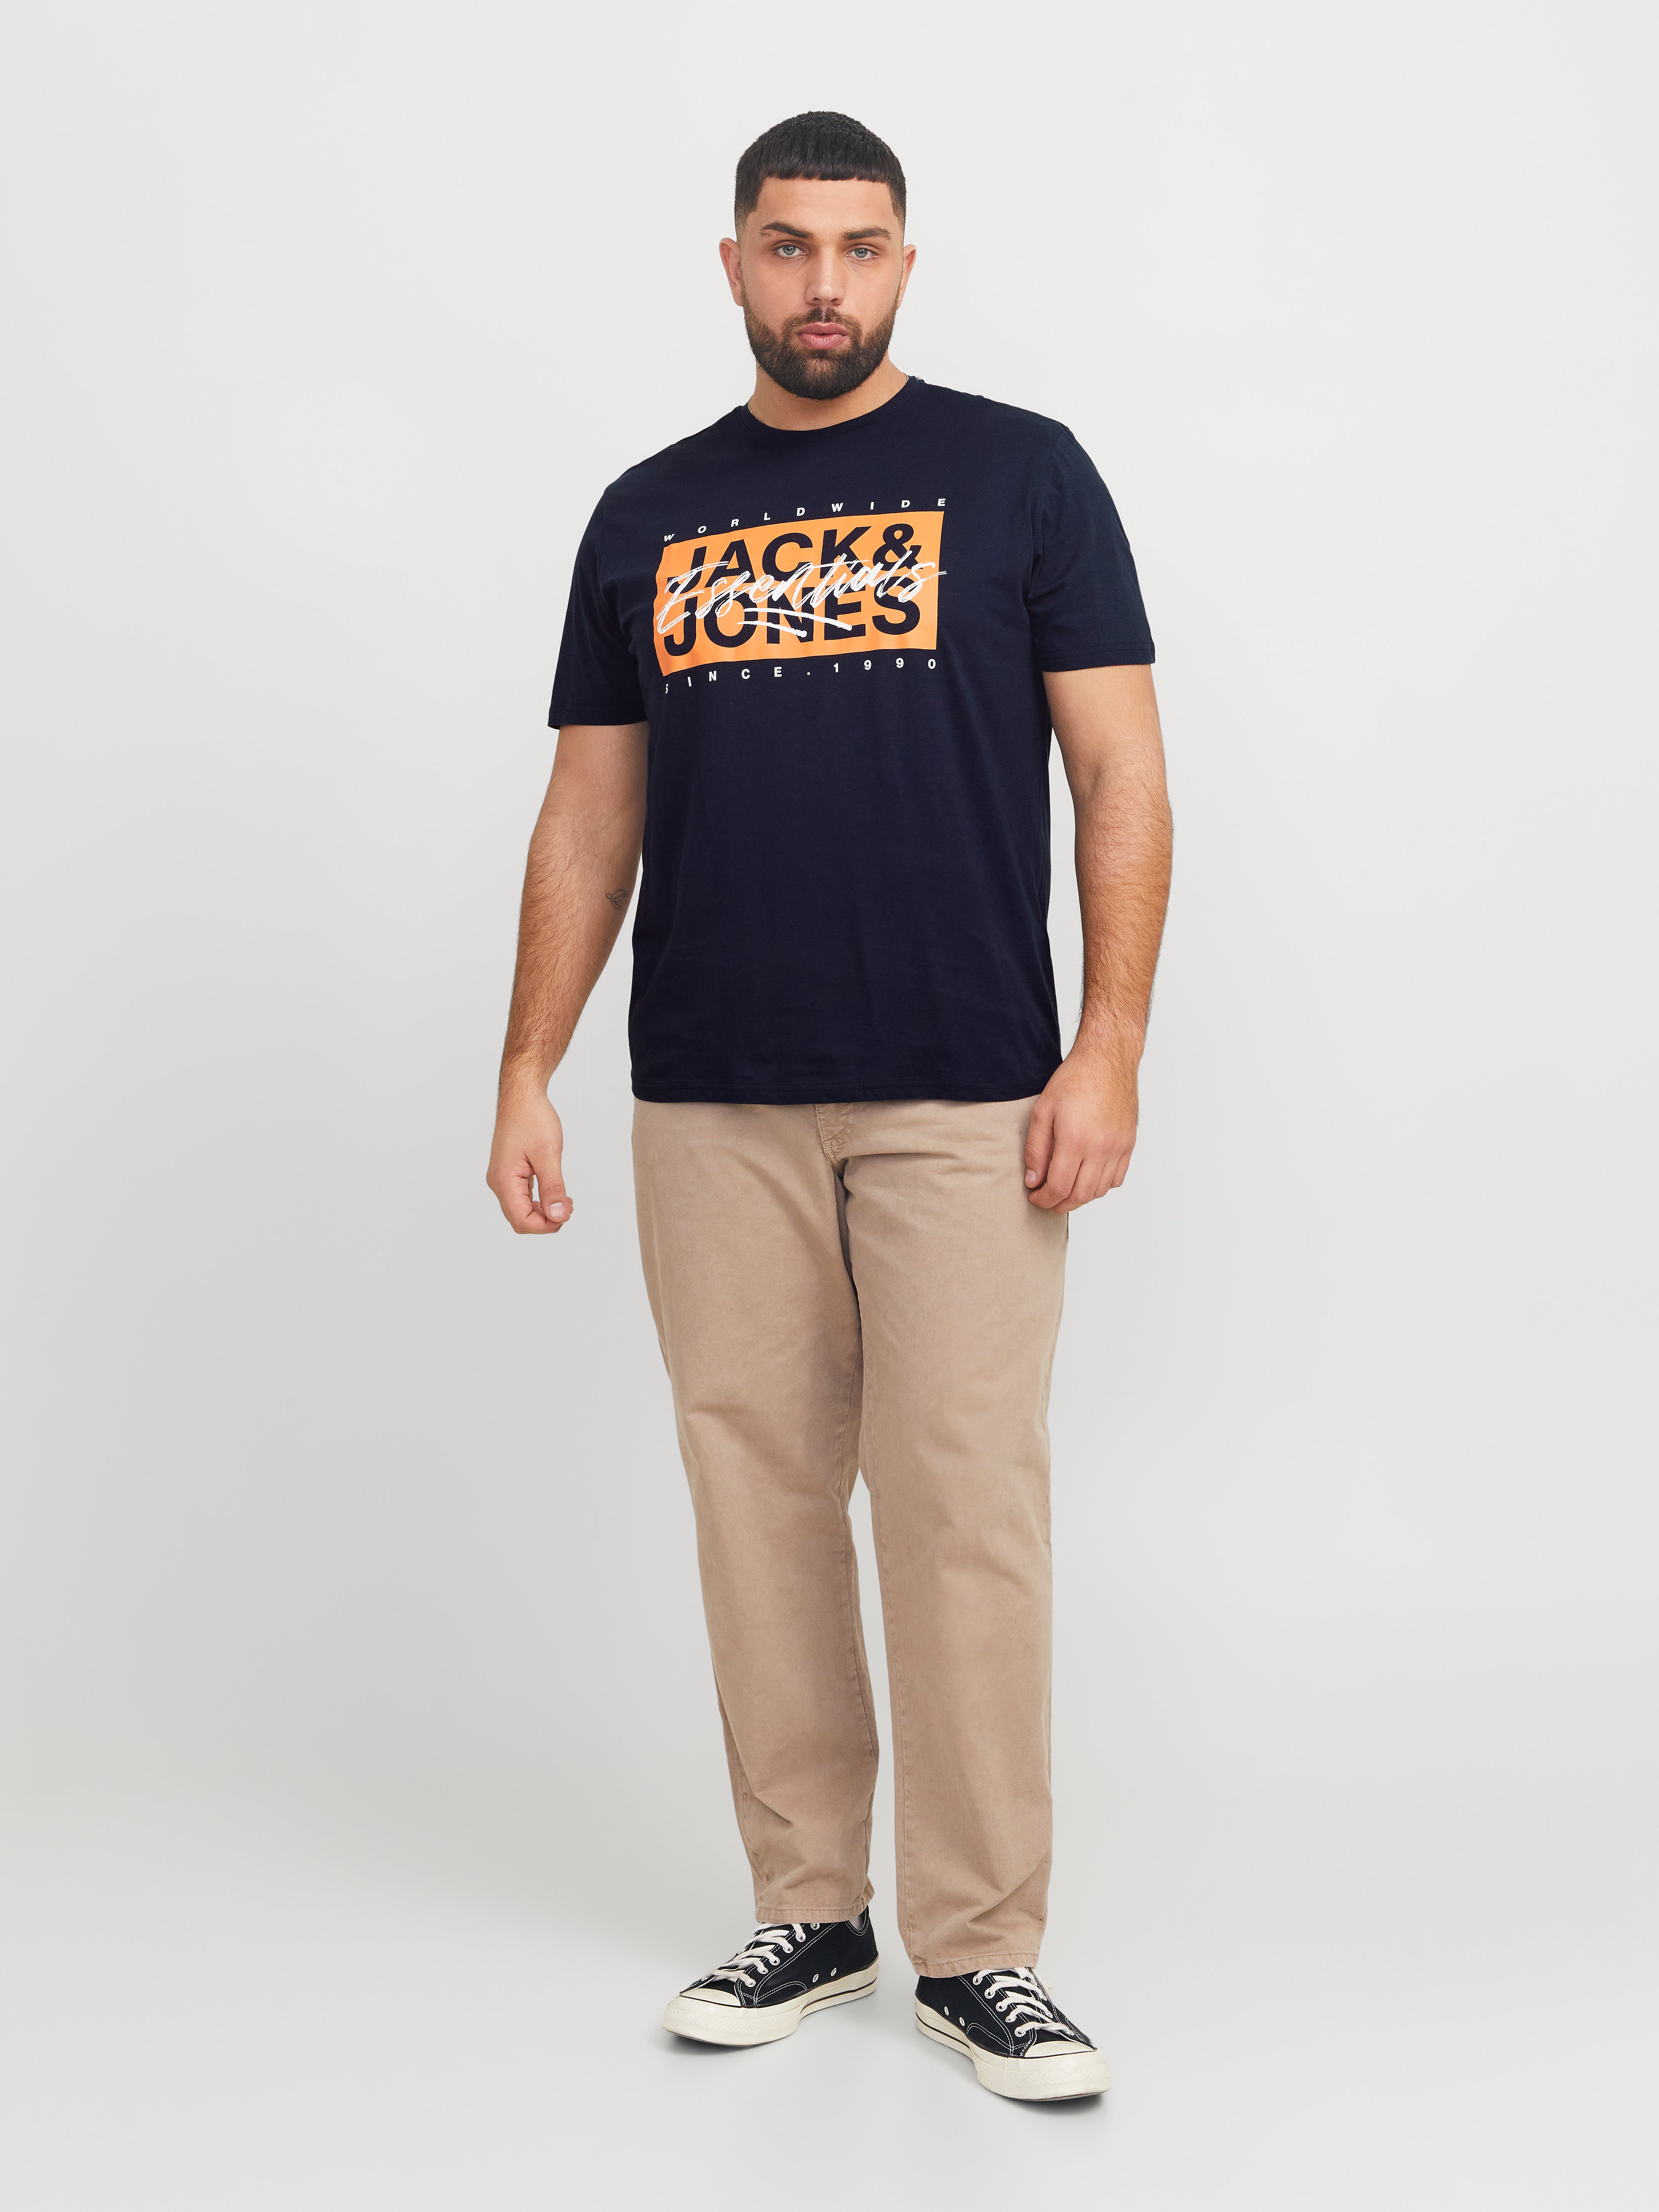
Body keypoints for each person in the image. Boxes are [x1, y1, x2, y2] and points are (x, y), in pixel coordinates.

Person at [486, 110, 1172, 2102]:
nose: (823, 283)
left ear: (905, 265)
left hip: (967, 1081)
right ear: (733, 264)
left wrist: (1111, 1044)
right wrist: (527, 1059)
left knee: (964, 1506)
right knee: (758, 1500)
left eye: (859, 247)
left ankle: (982, 1946)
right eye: (788, 246)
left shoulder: (1024, 474)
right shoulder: (646, 513)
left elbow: (1122, 776)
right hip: (714, 1086)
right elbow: (588, 808)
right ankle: (812, 1901)